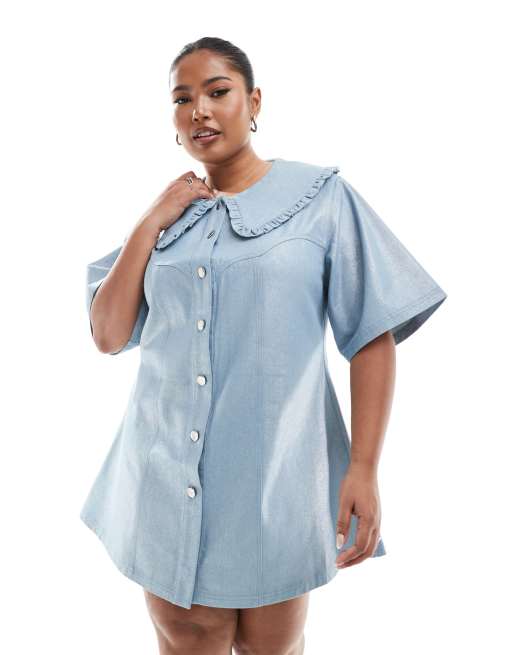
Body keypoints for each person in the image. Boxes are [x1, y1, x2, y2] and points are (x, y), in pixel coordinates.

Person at [81, 37, 448, 655]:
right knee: (188, 639)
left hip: (277, 482)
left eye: (217, 91)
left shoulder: (321, 199)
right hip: (161, 475)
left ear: (253, 103)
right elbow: (108, 334)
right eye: (182, 99)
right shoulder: (169, 220)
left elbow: (372, 336)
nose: (199, 110)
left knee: (272, 643)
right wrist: (149, 221)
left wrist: (363, 467)